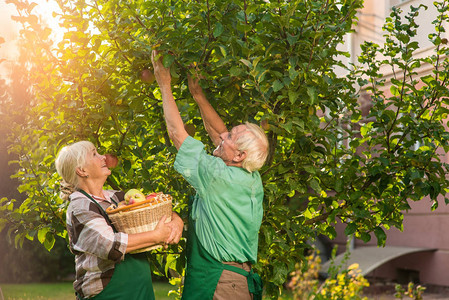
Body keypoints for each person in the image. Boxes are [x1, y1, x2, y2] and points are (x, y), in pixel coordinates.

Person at [151, 50, 269, 300]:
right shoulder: (251, 177)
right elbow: (218, 133)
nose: (222, 136)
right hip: (237, 283)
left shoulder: (217, 176)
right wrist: (197, 94)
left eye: (230, 137)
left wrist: (164, 82)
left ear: (239, 156)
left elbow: (177, 134)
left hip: (219, 284)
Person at [55, 140, 184, 300]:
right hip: (110, 294)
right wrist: (157, 236)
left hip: (140, 289)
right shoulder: (80, 207)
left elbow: (155, 208)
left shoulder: (117, 197)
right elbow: (110, 245)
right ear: (82, 170)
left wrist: (176, 221)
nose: (103, 157)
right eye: (94, 154)